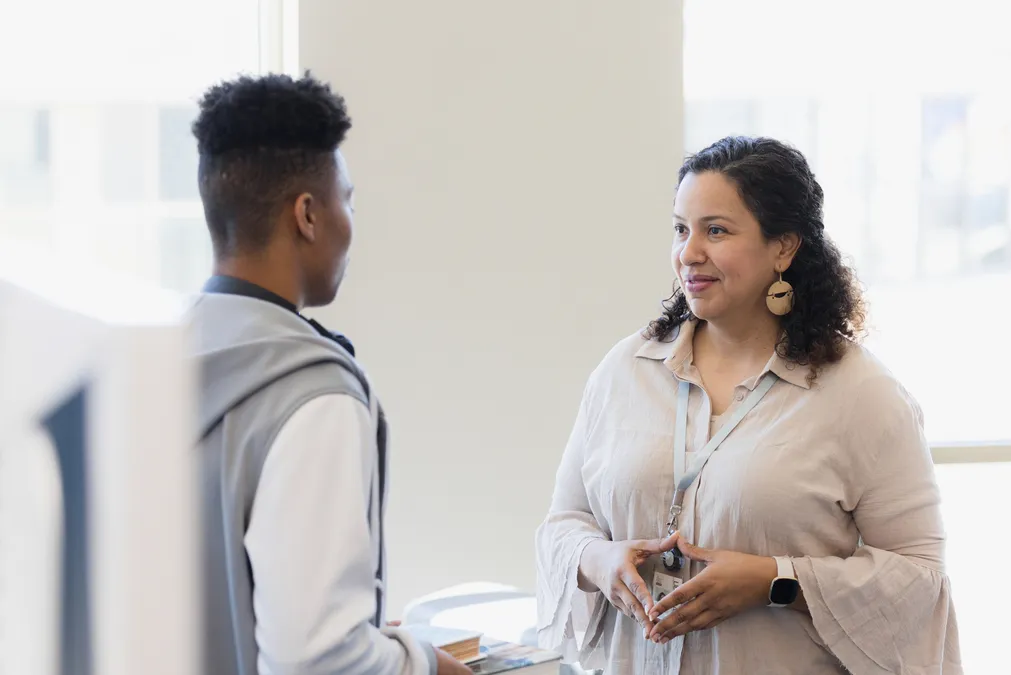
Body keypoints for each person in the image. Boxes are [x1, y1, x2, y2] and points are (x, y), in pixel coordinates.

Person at [535, 136, 962, 674]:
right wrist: (599, 560)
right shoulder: (625, 370)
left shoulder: (860, 394)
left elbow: (919, 578)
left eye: (716, 230)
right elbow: (562, 524)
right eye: (681, 228)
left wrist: (774, 581)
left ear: (783, 247)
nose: (689, 252)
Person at [189, 72, 471, 675]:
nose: (350, 224)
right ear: (309, 215)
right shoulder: (313, 392)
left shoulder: (157, 359)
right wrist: (425, 663)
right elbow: (315, 657)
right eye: (348, 199)